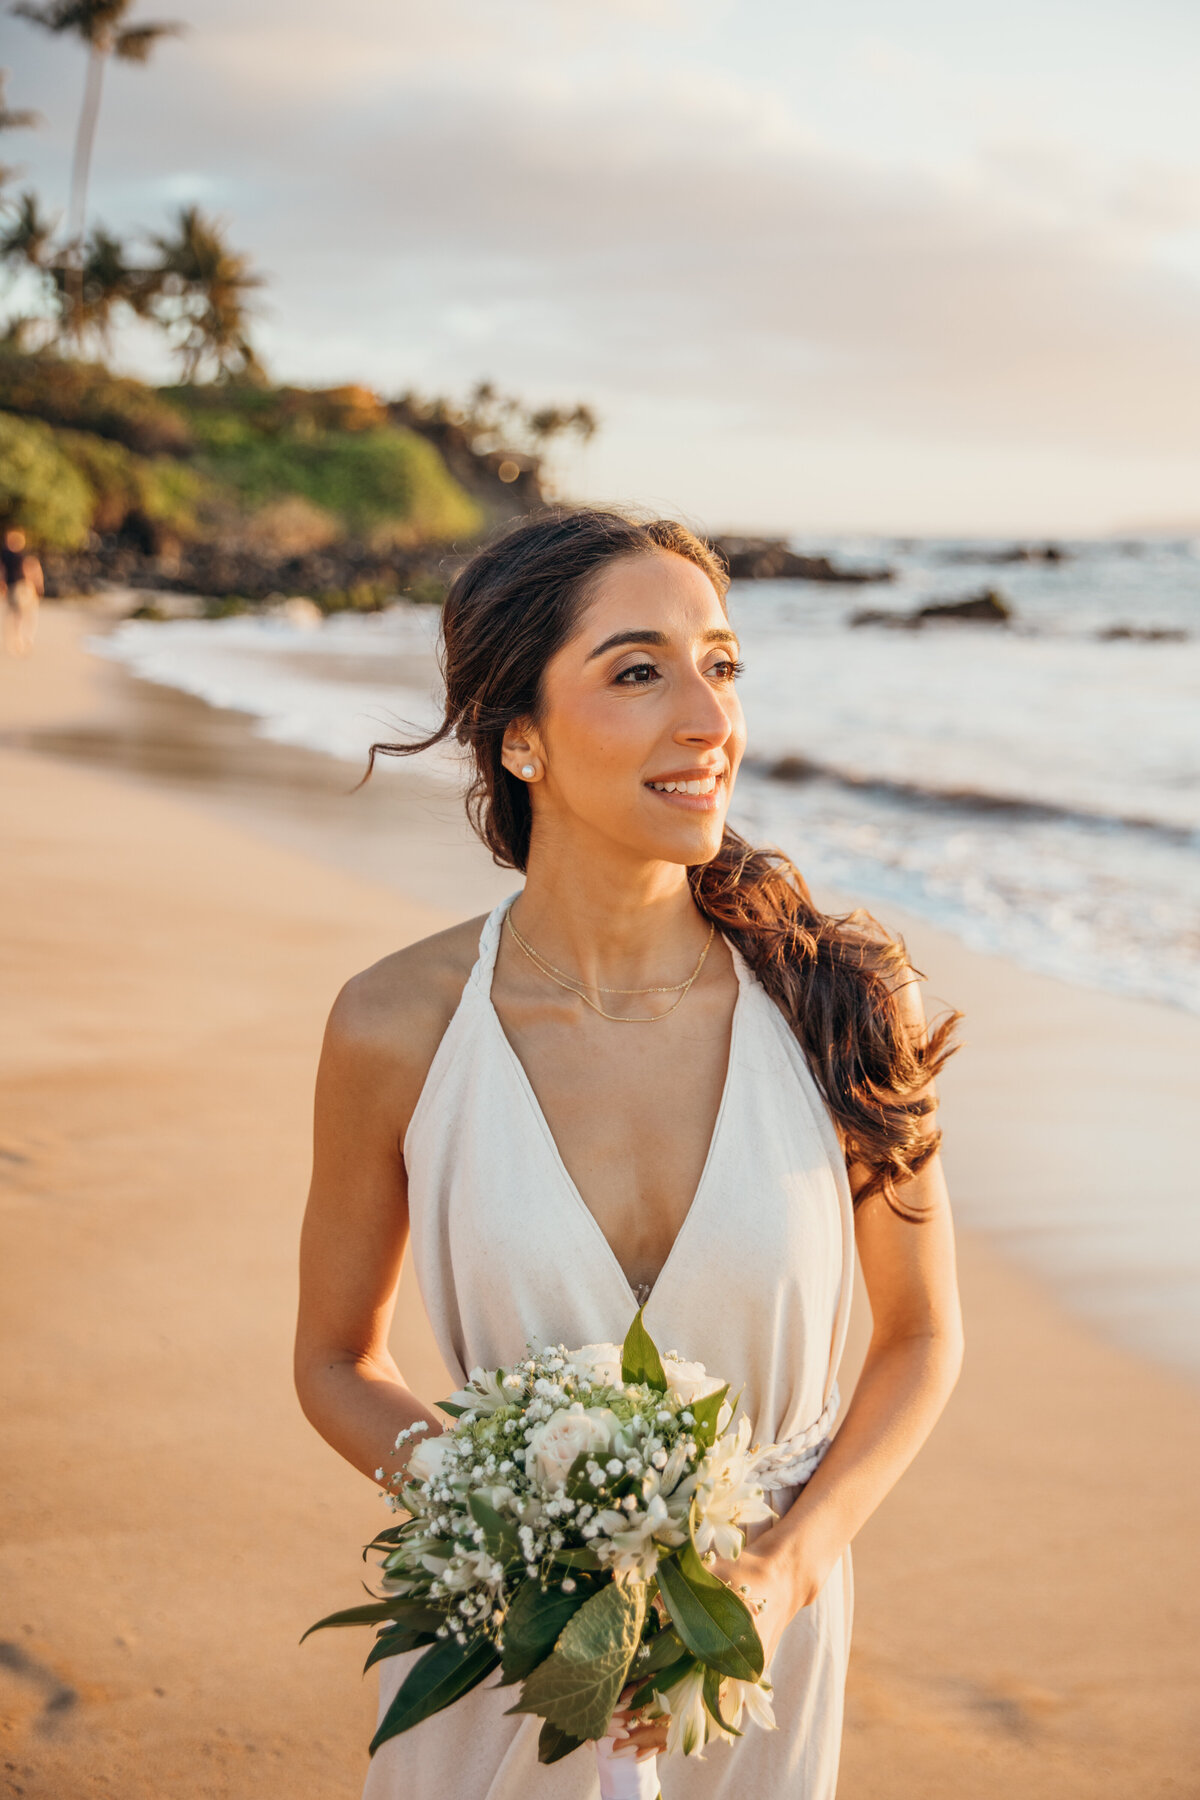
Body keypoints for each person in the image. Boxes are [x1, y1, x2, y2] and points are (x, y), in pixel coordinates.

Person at [294, 508, 965, 1798]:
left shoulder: (844, 1001)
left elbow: (922, 1337)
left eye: (721, 665)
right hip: (504, 1645)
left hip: (758, 1645)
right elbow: (333, 1359)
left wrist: (787, 1570)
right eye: (639, 669)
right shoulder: (395, 1025)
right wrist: (519, 1519)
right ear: (521, 736)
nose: (709, 720)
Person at [1, 526, 43, 657]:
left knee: (16, 614)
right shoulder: (21, 555)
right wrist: (37, 585)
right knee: (26, 613)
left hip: (14, 586)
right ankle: (24, 637)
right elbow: (30, 569)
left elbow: (2, 571)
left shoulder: (5, 554)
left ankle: (18, 638)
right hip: (22, 586)